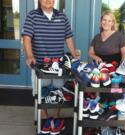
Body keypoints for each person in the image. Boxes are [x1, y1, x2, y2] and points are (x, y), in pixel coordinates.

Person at [21, 0, 78, 134]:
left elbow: (68, 37)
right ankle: (45, 117)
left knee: (59, 90)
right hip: (40, 65)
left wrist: (74, 54)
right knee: (43, 93)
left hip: (58, 65)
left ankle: (57, 117)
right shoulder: (32, 16)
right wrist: (29, 56)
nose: (48, 1)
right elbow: (27, 38)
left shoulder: (62, 17)